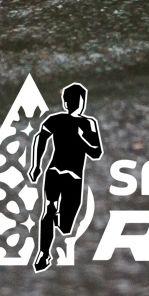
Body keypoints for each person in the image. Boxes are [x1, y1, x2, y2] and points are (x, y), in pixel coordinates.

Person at [28, 83, 102, 271]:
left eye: (77, 100)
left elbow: (96, 152)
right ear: (66, 102)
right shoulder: (57, 120)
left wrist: (80, 140)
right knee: (49, 209)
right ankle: (44, 253)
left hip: (69, 176)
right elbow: (40, 138)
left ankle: (55, 225)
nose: (74, 103)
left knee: (65, 223)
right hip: (58, 172)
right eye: (71, 100)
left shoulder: (88, 123)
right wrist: (36, 165)